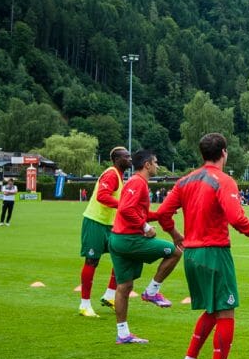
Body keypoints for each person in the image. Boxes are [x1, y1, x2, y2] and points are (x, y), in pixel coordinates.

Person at [154, 133, 249, 359]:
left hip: (192, 255)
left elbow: (162, 213)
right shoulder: (224, 180)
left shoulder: (185, 180)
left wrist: (175, 235)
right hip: (215, 253)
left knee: (212, 310)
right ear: (224, 152)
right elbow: (235, 217)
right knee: (227, 311)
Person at [109, 150, 184, 344]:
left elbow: (137, 210)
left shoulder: (136, 182)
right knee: (175, 252)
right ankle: (151, 292)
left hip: (117, 239)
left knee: (124, 287)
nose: (157, 165)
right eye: (156, 162)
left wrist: (159, 215)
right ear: (147, 165)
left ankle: (123, 333)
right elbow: (126, 209)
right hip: (129, 240)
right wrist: (145, 226)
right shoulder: (137, 182)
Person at [76, 147, 127, 318]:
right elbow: (102, 196)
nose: (130, 159)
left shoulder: (120, 176)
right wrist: (124, 206)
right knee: (92, 261)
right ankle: (84, 305)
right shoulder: (111, 174)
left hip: (110, 224)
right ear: (117, 159)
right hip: (95, 222)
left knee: (122, 256)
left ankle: (110, 296)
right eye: (126, 156)